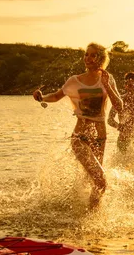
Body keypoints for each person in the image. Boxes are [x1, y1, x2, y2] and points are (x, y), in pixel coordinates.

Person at [33, 43, 123, 207]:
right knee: (101, 181)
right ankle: (90, 217)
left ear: (101, 59)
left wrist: (107, 85)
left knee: (92, 181)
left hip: (100, 138)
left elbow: (119, 106)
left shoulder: (107, 79)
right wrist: (41, 97)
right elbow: (56, 96)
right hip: (80, 136)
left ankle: (84, 212)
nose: (88, 58)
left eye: (93, 55)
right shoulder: (75, 80)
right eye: (86, 55)